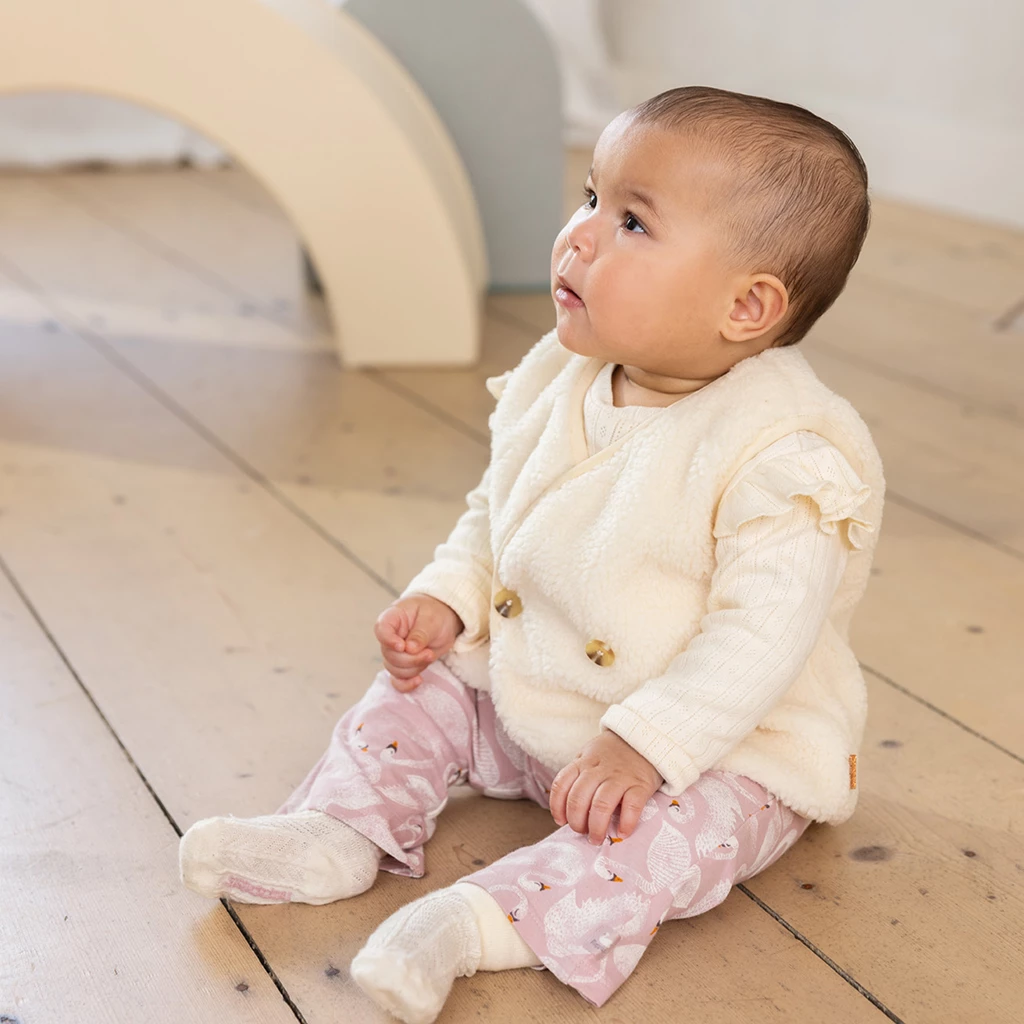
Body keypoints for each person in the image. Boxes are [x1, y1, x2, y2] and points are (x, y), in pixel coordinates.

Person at [179, 85, 884, 1024]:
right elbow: (501, 510)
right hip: (543, 695)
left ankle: (480, 924)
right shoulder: (568, 374)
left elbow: (758, 642)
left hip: (717, 750)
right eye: (589, 197)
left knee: (671, 842)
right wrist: (452, 596)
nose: (581, 234)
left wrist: (644, 748)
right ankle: (341, 829)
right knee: (418, 690)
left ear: (747, 306)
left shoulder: (783, 460)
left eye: (632, 222)